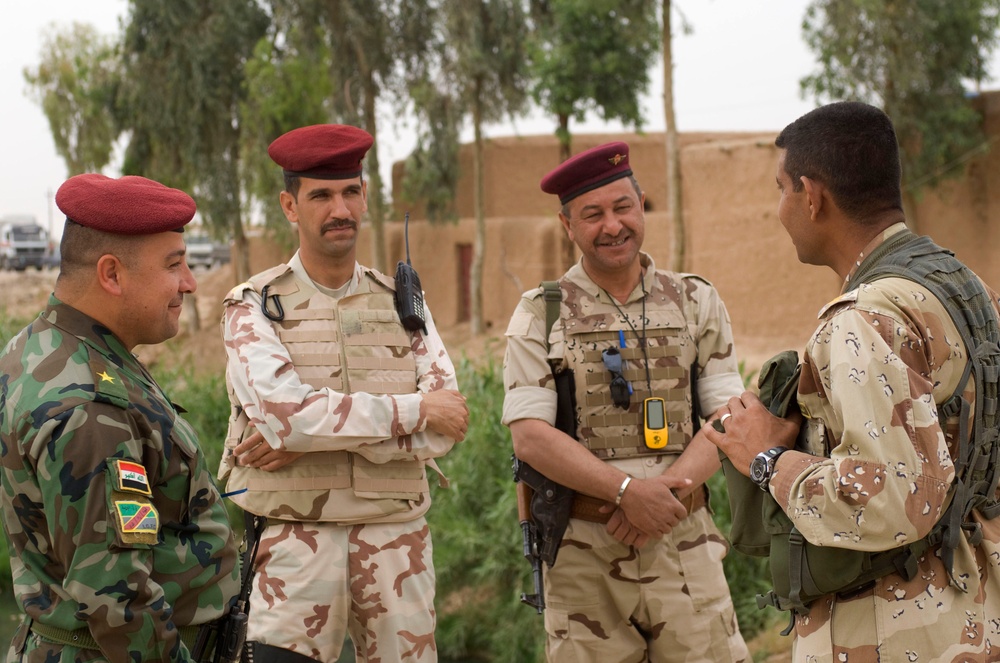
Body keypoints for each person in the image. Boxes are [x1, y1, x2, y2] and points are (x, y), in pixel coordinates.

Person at [706, 101, 1000, 660]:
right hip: (972, 612)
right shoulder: (965, 288)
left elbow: (893, 497)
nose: (779, 210)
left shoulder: (863, 318)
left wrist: (768, 461)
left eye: (780, 189)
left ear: (811, 196)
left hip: (890, 629)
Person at [218, 123, 469, 662]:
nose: (341, 209)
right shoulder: (253, 306)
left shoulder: (403, 302)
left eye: (351, 192)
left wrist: (312, 438)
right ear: (290, 205)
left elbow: (449, 423)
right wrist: (413, 410)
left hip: (397, 546)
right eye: (321, 195)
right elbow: (287, 417)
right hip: (294, 547)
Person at [501, 141, 751, 662]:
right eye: (592, 215)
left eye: (622, 208)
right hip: (582, 561)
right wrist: (624, 491)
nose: (612, 226)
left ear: (642, 206)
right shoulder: (540, 313)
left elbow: (731, 417)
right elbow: (529, 436)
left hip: (685, 548)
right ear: (567, 225)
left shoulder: (694, 299)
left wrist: (663, 495)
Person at [0, 174, 241, 662]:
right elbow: (117, 601)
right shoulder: (89, 406)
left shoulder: (40, 347)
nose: (190, 283)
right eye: (174, 265)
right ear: (111, 275)